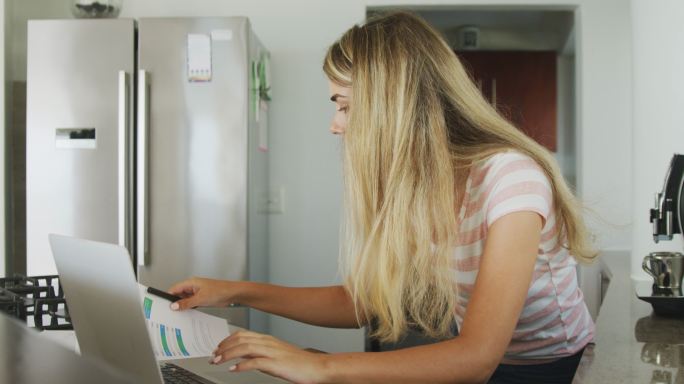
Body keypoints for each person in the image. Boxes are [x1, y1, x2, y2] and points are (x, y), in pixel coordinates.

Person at [168, 11, 596, 384]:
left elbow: (476, 358)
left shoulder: (510, 179)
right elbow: (365, 301)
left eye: (344, 105)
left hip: (551, 369)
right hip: (486, 363)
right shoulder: (417, 186)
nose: (335, 125)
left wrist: (322, 368)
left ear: (391, 104)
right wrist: (234, 291)